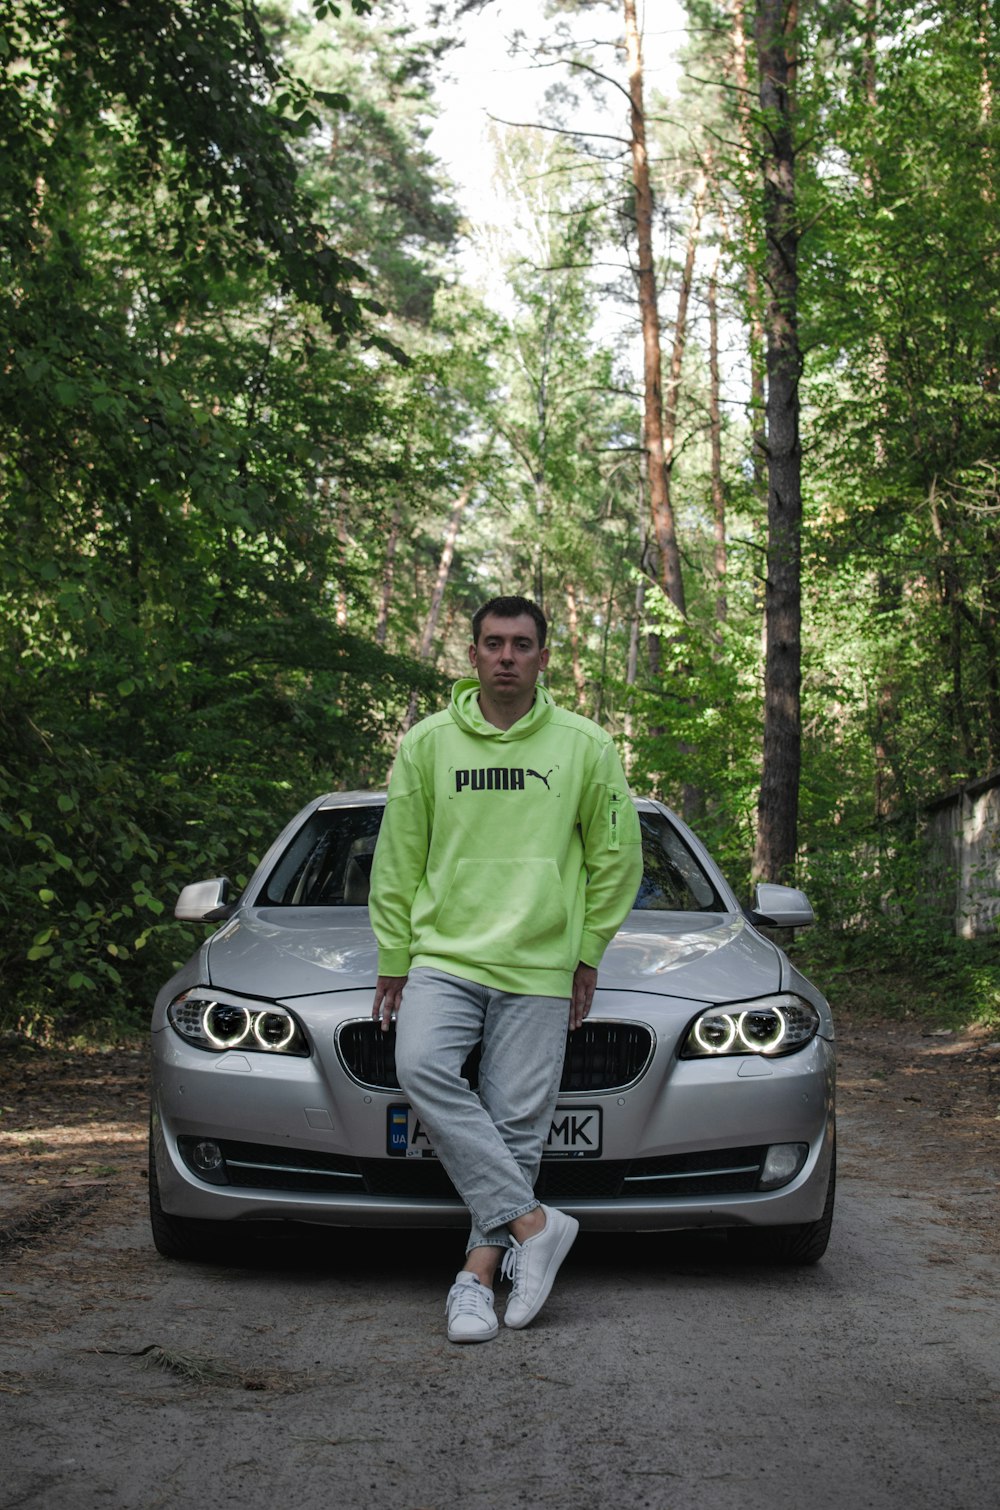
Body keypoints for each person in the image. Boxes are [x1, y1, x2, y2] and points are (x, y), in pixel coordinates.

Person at [369, 595, 642, 1343]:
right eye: (493, 642)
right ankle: (535, 1223)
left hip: (539, 964)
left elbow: (618, 858)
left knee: (517, 1129)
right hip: (446, 956)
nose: (507, 656)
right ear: (472, 654)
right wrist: (395, 954)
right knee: (421, 1066)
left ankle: (474, 1280)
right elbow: (399, 857)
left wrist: (587, 951)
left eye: (523, 644)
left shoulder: (584, 745)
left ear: (544, 657)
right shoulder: (427, 744)